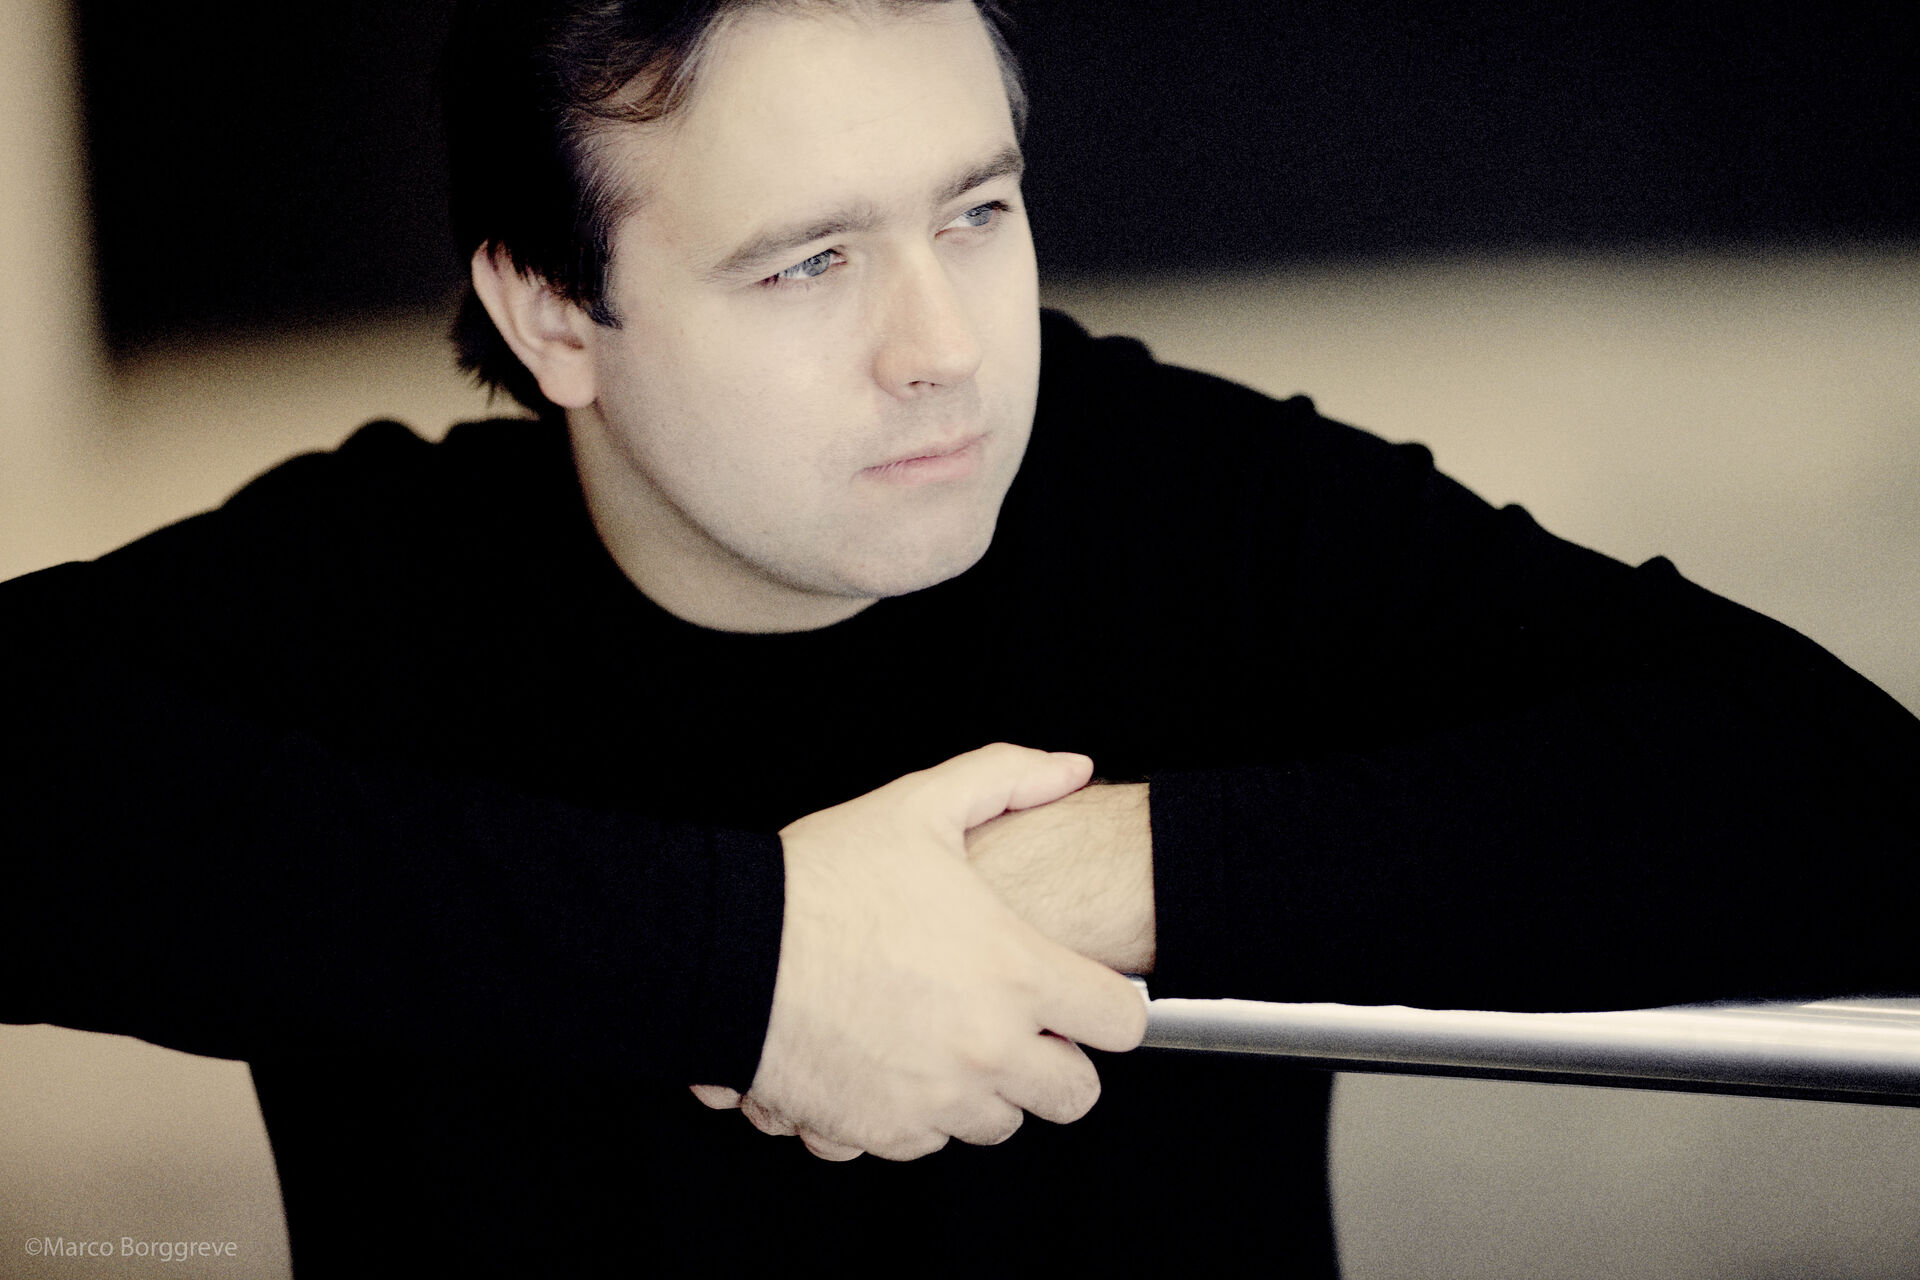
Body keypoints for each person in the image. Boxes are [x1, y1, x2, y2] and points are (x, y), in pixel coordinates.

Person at [7, 1, 1916, 1273]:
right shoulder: (373, 594)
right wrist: (746, 959)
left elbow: (1850, 803)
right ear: (551, 314)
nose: (941, 348)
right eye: (808, 260)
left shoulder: (1181, 506)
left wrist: (1120, 870)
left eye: (977, 213)